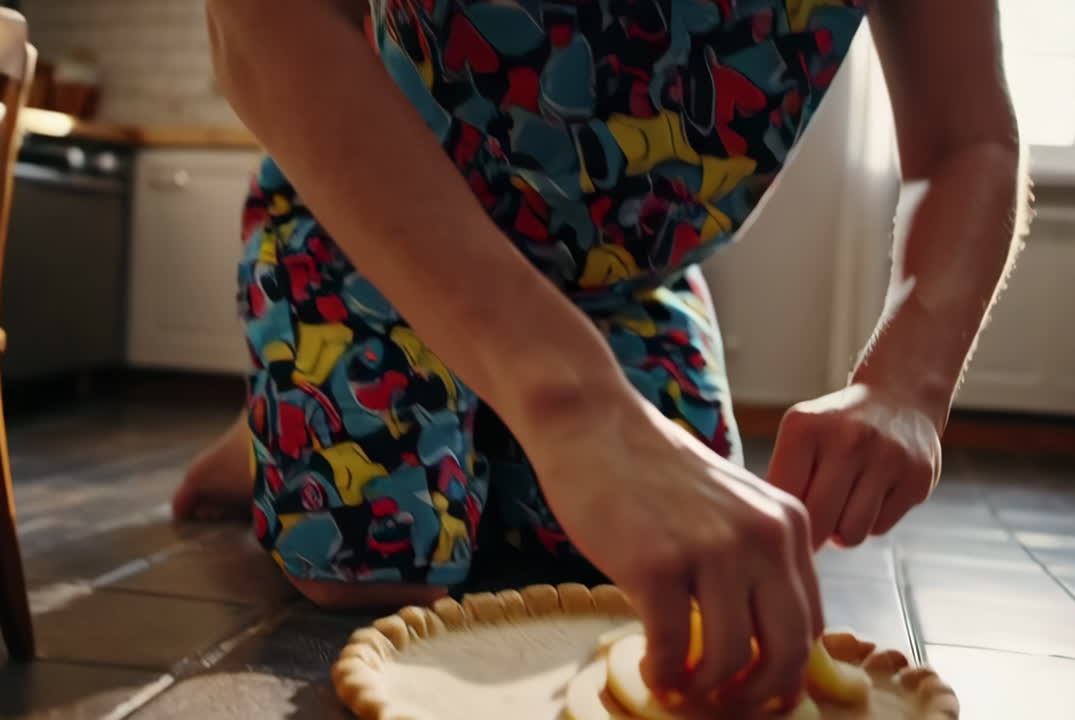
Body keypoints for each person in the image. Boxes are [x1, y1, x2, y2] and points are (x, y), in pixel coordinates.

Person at [179, 0, 1027, 714]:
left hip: (629, 287)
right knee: (368, 561)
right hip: (379, 235)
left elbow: (969, 141)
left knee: (621, 567)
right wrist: (572, 407)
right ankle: (295, 428)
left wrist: (905, 386)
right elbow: (260, 23)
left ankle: (386, 424)